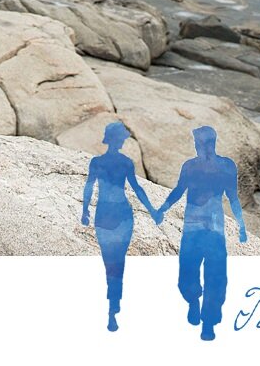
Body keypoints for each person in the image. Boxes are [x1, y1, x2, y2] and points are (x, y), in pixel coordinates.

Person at [152, 126, 247, 341]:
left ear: (205, 144)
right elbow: (180, 190)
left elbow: (232, 197)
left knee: (210, 276)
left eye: (196, 143)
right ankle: (195, 303)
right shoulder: (198, 167)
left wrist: (241, 225)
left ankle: (208, 323)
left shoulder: (222, 167)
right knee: (196, 275)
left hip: (207, 230)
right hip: (201, 228)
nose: (194, 146)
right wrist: (162, 209)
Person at [81, 122, 160, 332]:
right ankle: (113, 307)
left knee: (111, 262)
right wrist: (152, 210)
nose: (124, 141)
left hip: (108, 213)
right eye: (122, 138)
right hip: (120, 214)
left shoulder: (98, 162)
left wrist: (85, 211)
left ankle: (112, 308)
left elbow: (90, 187)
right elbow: (136, 188)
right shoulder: (124, 162)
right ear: (117, 139)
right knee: (117, 263)